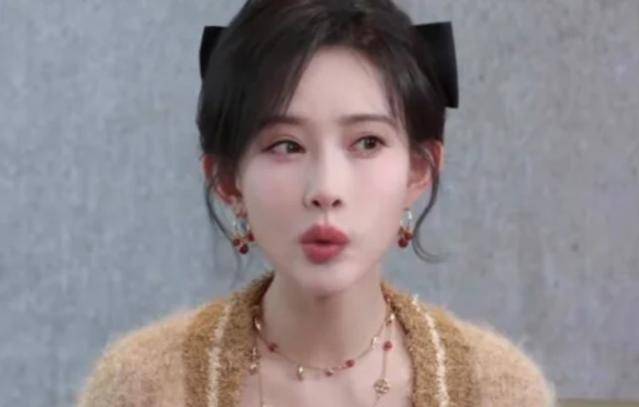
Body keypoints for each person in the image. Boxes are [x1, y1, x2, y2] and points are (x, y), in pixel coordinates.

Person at [77, 0, 557, 406]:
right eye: (286, 145)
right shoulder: (142, 386)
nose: (326, 188)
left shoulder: (499, 389)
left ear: (419, 169)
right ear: (227, 179)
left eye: (367, 142)